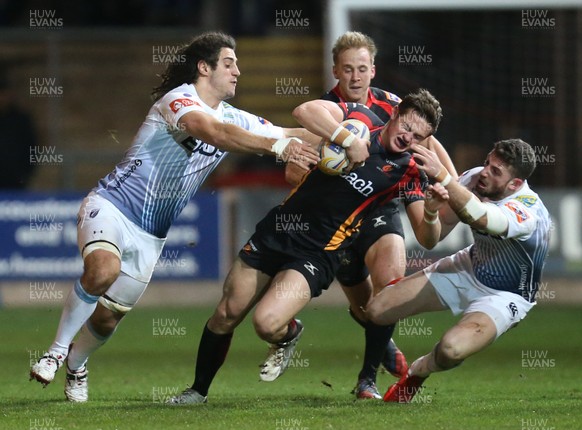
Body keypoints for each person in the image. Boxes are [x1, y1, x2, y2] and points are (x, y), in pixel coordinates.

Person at [29, 32, 323, 402]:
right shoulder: (178, 100)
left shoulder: (235, 117)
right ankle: (55, 352)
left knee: (107, 318)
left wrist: (346, 138)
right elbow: (213, 132)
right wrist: (280, 147)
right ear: (205, 67)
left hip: (152, 235)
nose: (238, 71)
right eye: (229, 63)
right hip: (112, 205)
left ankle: (77, 363)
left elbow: (289, 132)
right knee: (102, 270)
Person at [168, 88, 447, 405]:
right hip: (278, 231)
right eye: (406, 126)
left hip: (319, 252)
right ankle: (198, 392)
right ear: (394, 115)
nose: (407, 137)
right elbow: (304, 111)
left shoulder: (408, 171)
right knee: (226, 314)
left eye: (417, 136)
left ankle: (287, 334)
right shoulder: (359, 119)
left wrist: (434, 209)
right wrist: (348, 140)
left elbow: (428, 238)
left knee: (266, 323)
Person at [287, 31, 458, 399]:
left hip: (381, 210)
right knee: (367, 310)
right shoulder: (326, 111)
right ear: (335, 71)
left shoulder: (393, 105)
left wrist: (453, 183)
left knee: (391, 286)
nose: (354, 77)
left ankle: (367, 381)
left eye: (361, 69)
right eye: (347, 69)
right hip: (335, 222)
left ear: (372, 70)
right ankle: (385, 347)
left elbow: (427, 138)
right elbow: (292, 171)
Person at [365, 138, 551, 403]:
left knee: (450, 350)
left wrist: (443, 175)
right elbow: (432, 239)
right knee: (376, 311)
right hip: (469, 266)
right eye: (488, 162)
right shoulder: (475, 179)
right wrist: (430, 213)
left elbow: (483, 218)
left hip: (507, 295)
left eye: (496, 171)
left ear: (515, 184)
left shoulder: (527, 212)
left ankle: (416, 373)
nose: (485, 171)